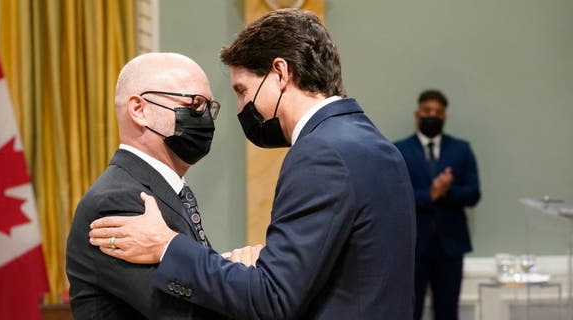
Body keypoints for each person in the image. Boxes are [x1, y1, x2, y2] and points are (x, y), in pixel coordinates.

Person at [88, 9, 416, 319]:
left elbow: (273, 298)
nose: (242, 107)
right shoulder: (375, 144)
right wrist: (251, 268)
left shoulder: (321, 153)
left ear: (280, 73)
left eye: (243, 91)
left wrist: (167, 246)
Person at [65, 52, 232, 319]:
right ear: (139, 110)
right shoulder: (117, 201)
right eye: (195, 104)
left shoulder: (162, 191)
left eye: (209, 108)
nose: (205, 119)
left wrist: (231, 269)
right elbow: (185, 312)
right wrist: (245, 279)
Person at [394, 89, 481, 320]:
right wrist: (430, 194)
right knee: (410, 311)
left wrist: (446, 191)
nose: (432, 115)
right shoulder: (398, 150)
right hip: (413, 248)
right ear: (417, 114)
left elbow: (473, 193)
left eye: (438, 112)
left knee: (447, 312)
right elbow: (396, 198)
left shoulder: (462, 149)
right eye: (427, 111)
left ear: (445, 116)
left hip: (451, 247)